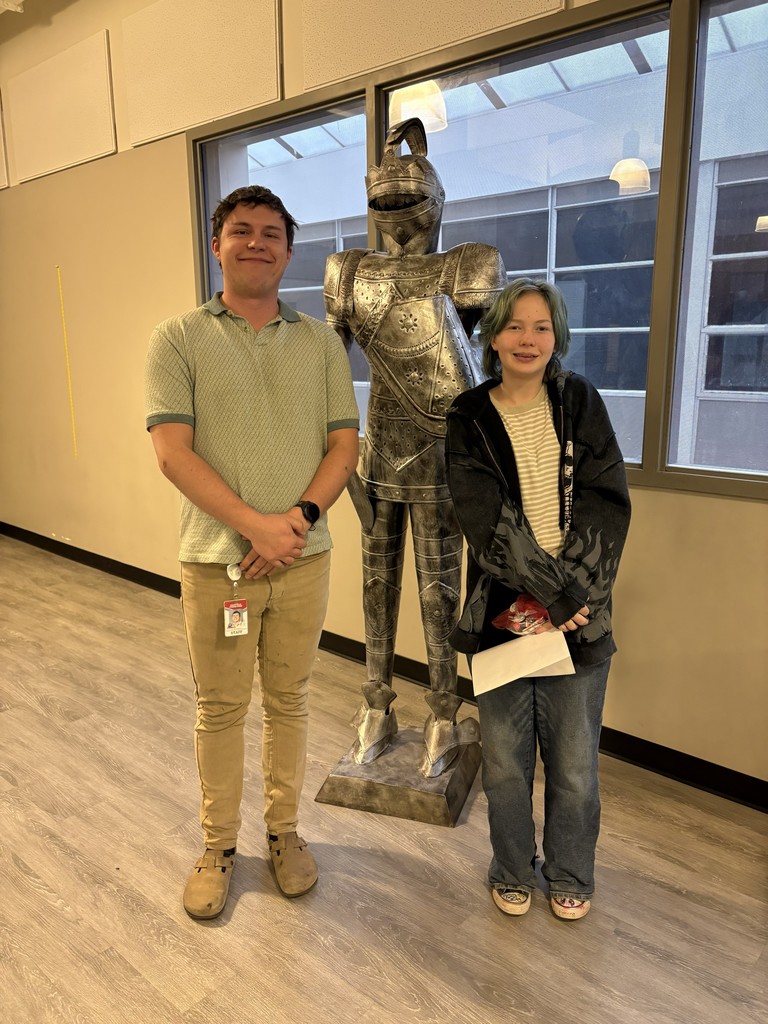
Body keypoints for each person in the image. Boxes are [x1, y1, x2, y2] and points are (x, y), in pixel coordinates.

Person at [145, 185, 359, 919]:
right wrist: (255, 528)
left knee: (292, 701)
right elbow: (173, 453)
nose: (257, 243)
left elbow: (344, 446)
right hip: (215, 561)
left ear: (288, 251)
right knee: (220, 707)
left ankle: (285, 834)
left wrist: (294, 520)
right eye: (242, 231)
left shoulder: (322, 341)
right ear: (218, 245)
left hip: (306, 555)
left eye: (272, 233)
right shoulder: (177, 338)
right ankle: (218, 846)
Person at [445, 278, 630, 920]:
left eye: (541, 327)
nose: (528, 338)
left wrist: (573, 595)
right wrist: (554, 593)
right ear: (493, 336)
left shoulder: (579, 400)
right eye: (514, 325)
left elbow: (608, 501)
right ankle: (511, 867)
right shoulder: (467, 415)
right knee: (503, 764)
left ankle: (572, 872)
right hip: (503, 613)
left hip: (580, 612)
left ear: (558, 338)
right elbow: (482, 517)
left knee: (575, 767)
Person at [325, 117, 506, 776]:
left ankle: (441, 711)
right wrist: (335, 456)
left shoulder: (470, 264)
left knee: (437, 593)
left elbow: (467, 370)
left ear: (436, 199)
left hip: (439, 451)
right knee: (376, 587)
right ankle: (376, 701)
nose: (396, 209)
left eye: (408, 194)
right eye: (384, 197)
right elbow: (327, 374)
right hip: (376, 456)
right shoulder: (346, 271)